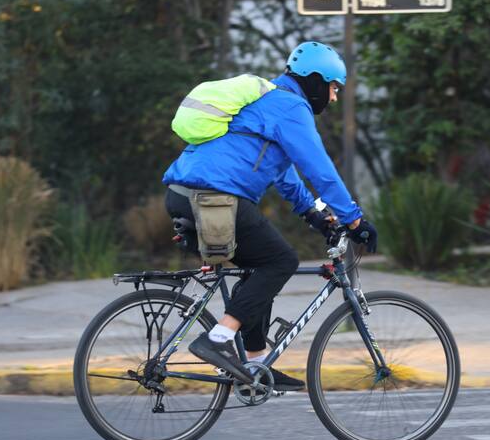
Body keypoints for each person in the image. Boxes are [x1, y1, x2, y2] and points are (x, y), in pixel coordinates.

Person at [162, 41, 378, 391]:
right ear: (315, 80)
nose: (334, 97)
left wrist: (313, 213)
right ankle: (218, 339)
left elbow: (284, 172)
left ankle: (255, 365)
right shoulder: (291, 107)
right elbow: (320, 170)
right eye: (334, 87)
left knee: (260, 266)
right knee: (281, 261)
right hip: (215, 198)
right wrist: (354, 220)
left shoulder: (270, 101)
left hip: (184, 195)